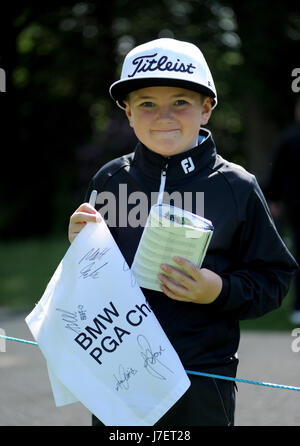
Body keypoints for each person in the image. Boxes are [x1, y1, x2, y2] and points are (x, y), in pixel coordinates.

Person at [68, 38, 298, 426]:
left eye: (180, 102)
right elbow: (88, 282)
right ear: (127, 112)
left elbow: (274, 279)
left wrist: (218, 290)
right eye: (146, 104)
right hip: (120, 376)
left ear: (206, 109)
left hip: (201, 380)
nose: (164, 116)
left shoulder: (237, 187)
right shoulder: (109, 180)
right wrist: (78, 247)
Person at [267, 98, 300, 325]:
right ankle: (298, 306)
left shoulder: (289, 138)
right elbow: (277, 176)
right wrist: (274, 199)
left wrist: (274, 198)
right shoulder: (290, 139)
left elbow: (275, 177)